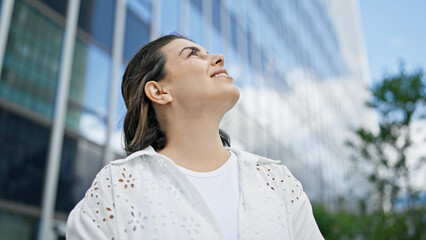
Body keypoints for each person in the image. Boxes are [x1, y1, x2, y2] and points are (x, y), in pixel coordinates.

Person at [66, 34, 324, 240]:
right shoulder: (117, 187)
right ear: (159, 91)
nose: (219, 57)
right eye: (192, 54)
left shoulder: (276, 181)